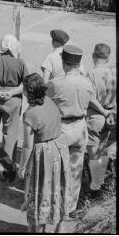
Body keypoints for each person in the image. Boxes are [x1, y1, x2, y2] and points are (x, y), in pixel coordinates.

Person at [47, 46, 112, 217]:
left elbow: (44, 102)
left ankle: (56, 204)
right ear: (79, 63)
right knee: (75, 169)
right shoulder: (86, 82)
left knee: (57, 168)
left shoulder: (55, 84)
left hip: (62, 128)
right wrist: (106, 112)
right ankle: (71, 208)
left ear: (63, 63)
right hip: (81, 127)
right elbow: (92, 99)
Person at [18, 73, 72, 234]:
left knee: (38, 191)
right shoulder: (50, 101)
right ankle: (60, 227)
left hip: (43, 155)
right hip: (60, 148)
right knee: (60, 187)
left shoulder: (30, 114)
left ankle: (37, 228)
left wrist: (21, 167)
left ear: (28, 92)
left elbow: (27, 146)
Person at [85, 43, 116, 195]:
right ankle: (102, 182)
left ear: (93, 55)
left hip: (96, 116)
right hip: (111, 116)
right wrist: (110, 112)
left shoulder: (91, 73)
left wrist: (103, 112)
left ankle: (95, 187)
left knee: (93, 153)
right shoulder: (112, 73)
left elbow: (90, 98)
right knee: (103, 149)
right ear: (108, 57)